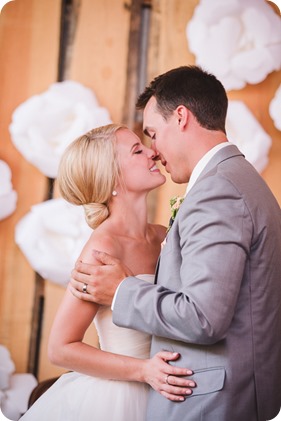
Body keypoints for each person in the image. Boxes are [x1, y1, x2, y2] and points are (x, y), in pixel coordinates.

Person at [69, 66, 281, 421]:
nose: (153, 150)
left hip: (211, 403)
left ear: (181, 117)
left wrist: (122, 290)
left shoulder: (218, 191)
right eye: (140, 147)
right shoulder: (235, 180)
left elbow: (203, 317)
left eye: (152, 134)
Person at [20, 124, 196, 421]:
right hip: (122, 399)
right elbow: (60, 349)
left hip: (175, 389)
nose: (152, 152)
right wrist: (143, 371)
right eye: (137, 151)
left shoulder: (163, 235)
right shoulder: (101, 249)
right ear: (112, 177)